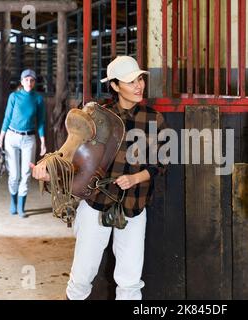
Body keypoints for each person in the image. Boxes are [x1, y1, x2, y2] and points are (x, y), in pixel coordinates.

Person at [31, 56, 167, 300]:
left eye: (140, 79)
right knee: (82, 275)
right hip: (95, 203)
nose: (139, 86)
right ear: (115, 86)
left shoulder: (153, 118)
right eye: (130, 81)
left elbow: (161, 164)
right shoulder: (95, 115)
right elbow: (68, 151)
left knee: (130, 280)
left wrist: (135, 178)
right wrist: (45, 167)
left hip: (134, 204)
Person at [0, 69, 46, 218]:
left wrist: (43, 142)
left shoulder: (38, 99)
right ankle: (13, 202)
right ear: (22, 82)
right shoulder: (14, 97)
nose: (29, 83)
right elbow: (7, 118)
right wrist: (0, 138)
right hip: (11, 137)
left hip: (29, 139)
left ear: (34, 82)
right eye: (26, 80)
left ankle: (22, 207)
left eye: (32, 80)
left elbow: (41, 122)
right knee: (14, 174)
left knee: (26, 173)